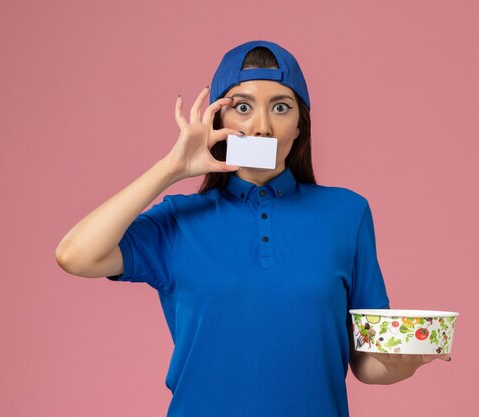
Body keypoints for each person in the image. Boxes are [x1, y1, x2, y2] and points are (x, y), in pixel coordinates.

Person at [55, 40, 451, 417]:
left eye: (281, 108)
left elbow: (366, 363)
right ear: (219, 120)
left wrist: (410, 361)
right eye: (242, 107)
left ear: (299, 126)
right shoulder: (178, 220)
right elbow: (75, 255)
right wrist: (171, 169)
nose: (262, 126)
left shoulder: (347, 214)